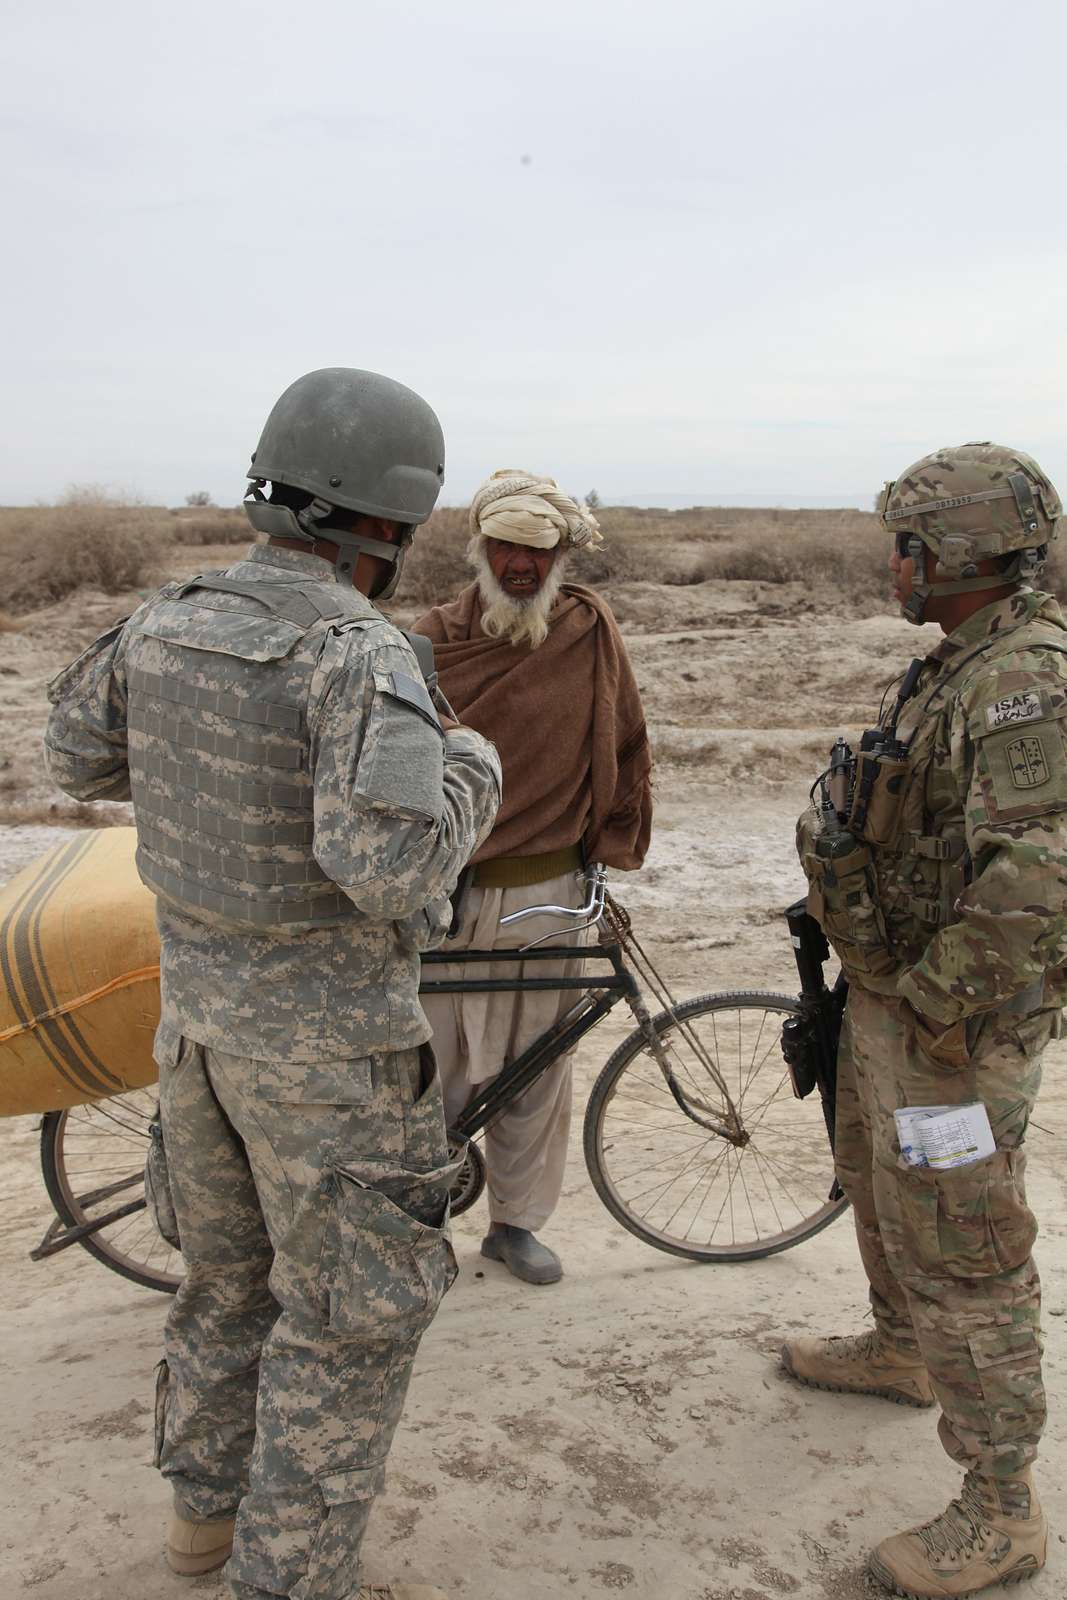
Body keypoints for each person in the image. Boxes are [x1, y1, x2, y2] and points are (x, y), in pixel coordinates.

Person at [43, 368, 502, 1600]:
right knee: (346, 1324)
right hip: (329, 1065)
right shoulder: (358, 651)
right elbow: (389, 868)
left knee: (225, 1287)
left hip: (194, 1040)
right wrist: (469, 767)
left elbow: (73, 747)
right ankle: (287, 1575)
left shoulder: (164, 615)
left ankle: (202, 1524)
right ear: (389, 526)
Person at [786, 443, 1065, 1596]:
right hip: (895, 1000)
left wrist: (933, 1014)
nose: (892, 565)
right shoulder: (958, 662)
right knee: (873, 1180)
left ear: (959, 550)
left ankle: (1001, 1509)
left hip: (949, 1026)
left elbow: (1038, 876)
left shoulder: (1025, 680)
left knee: (965, 1254)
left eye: (907, 545)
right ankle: (901, 1351)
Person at [411, 469, 652, 1285]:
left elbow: (625, 739)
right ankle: (418, 1222)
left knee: (539, 1067)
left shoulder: (587, 629)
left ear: (559, 558)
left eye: (537, 552)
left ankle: (515, 1224)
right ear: (479, 550)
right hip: (446, 893)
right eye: (505, 547)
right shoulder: (432, 637)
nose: (520, 565)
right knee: (428, 1069)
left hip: (552, 891)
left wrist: (609, 849)